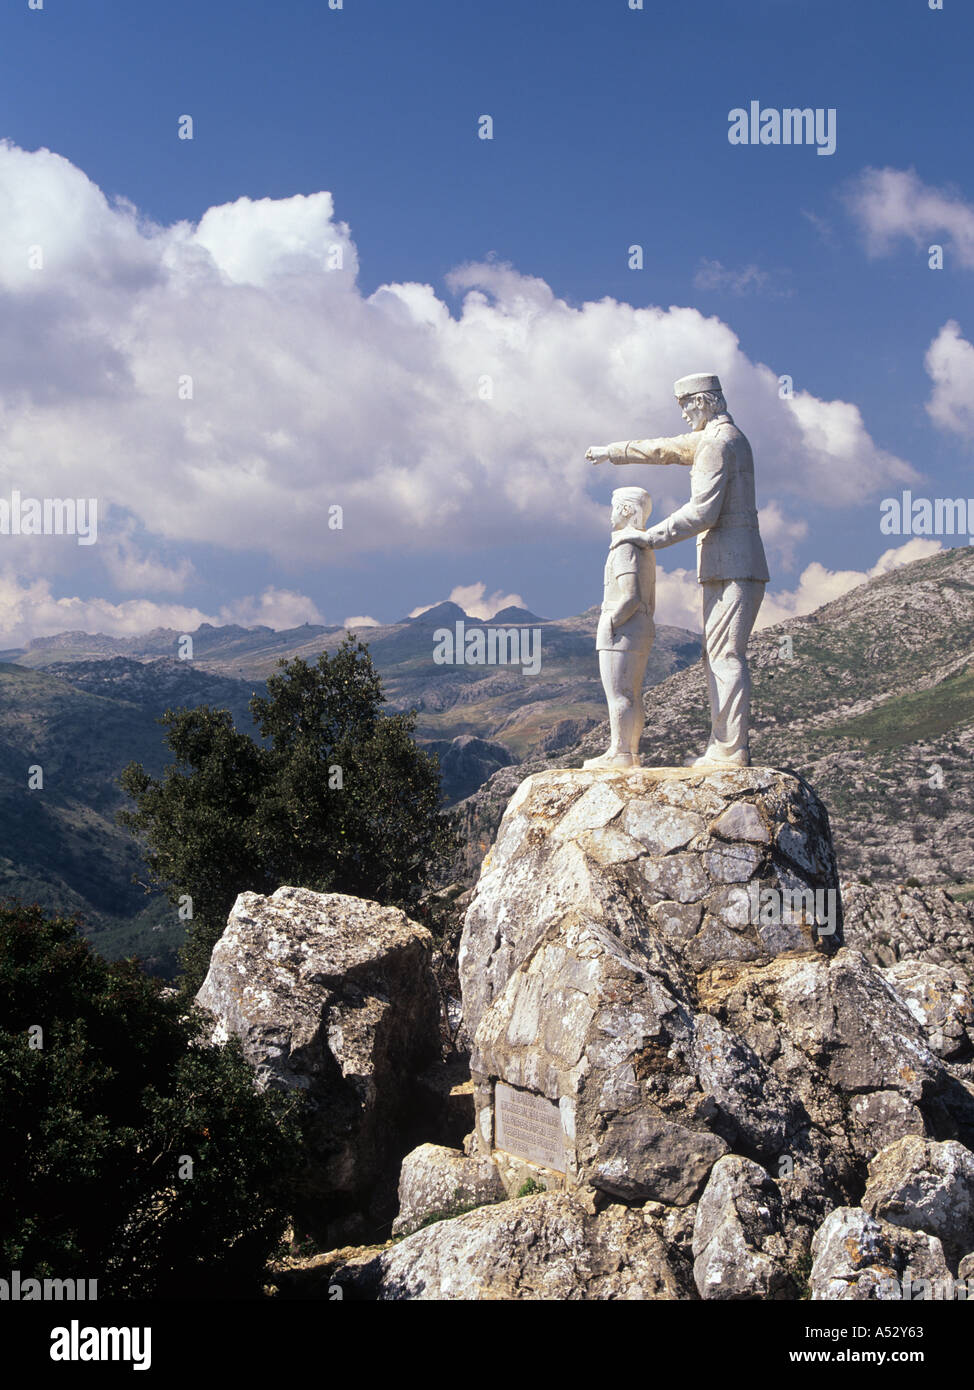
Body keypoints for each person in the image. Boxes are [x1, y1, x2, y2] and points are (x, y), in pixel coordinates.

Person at [585, 373, 768, 766]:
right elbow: (664, 450)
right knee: (717, 655)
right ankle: (726, 745)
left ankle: (731, 749)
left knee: (725, 656)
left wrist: (647, 538)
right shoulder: (717, 438)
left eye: (685, 406)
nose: (683, 414)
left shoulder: (719, 443)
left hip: (734, 564)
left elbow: (703, 511)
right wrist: (613, 451)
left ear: (702, 401)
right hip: (726, 564)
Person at [583, 486, 655, 769]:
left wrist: (611, 622)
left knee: (619, 693)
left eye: (613, 507)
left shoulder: (626, 546)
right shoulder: (644, 548)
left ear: (625, 510)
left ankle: (621, 751)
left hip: (622, 628)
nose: (610, 514)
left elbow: (631, 595)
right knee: (631, 692)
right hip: (641, 627)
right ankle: (630, 750)